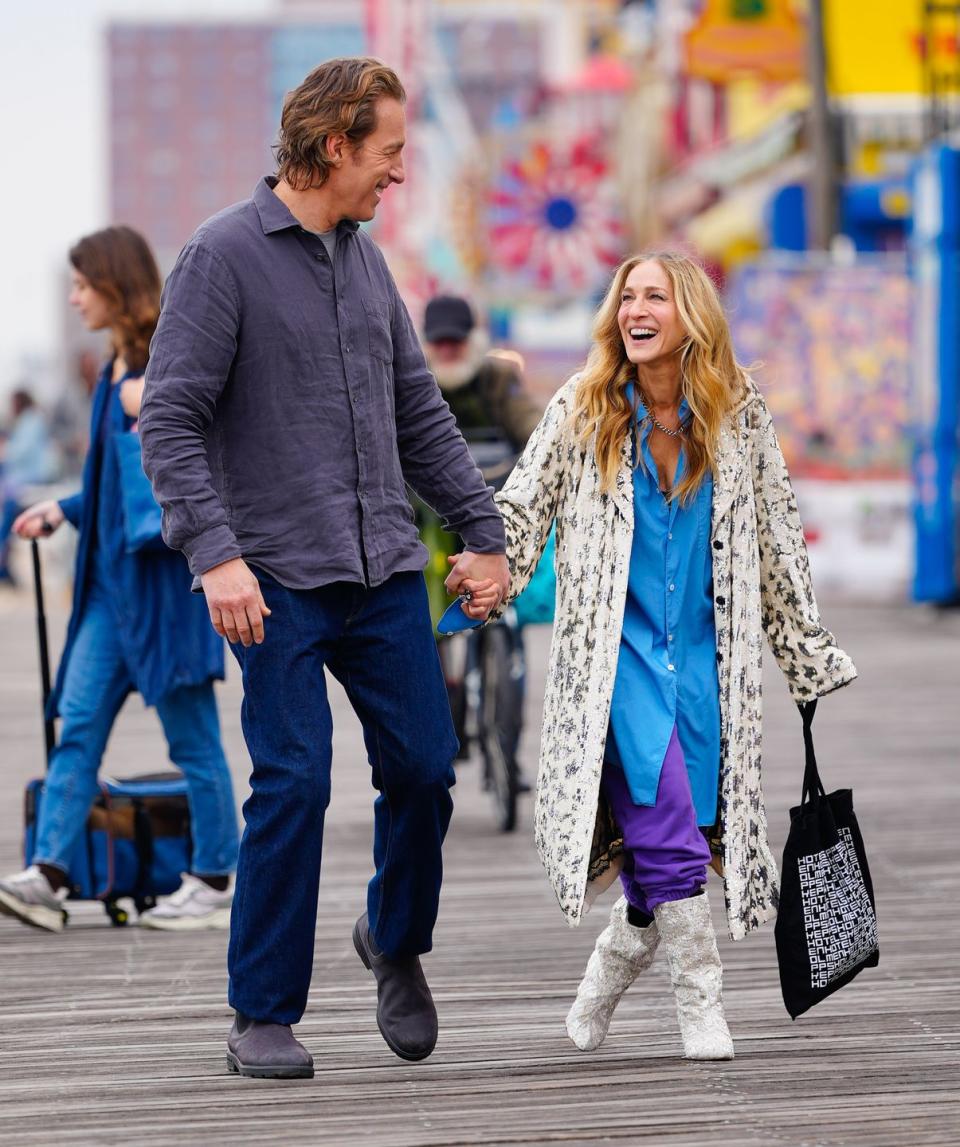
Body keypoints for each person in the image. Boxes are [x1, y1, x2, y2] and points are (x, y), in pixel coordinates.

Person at [138, 57, 509, 1080]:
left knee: (427, 772)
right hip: (276, 577)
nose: (397, 173)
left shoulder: (367, 263)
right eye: (388, 151)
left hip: (384, 563)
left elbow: (418, 416)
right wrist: (213, 554)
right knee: (295, 780)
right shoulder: (220, 257)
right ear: (334, 142)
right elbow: (168, 420)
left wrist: (482, 533)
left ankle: (393, 941)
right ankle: (261, 1010)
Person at [464, 251, 857, 1061]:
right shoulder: (583, 407)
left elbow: (779, 541)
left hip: (710, 671)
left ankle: (606, 974)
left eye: (656, 297)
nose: (636, 310)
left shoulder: (738, 414)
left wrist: (806, 652)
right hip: (617, 670)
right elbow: (524, 509)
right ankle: (700, 1005)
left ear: (691, 318)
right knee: (673, 834)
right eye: (627, 298)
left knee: (683, 840)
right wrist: (486, 572)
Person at [0, 227, 239, 935]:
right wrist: (62, 507)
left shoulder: (157, 372)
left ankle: (214, 876)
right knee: (76, 726)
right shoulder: (111, 371)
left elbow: (186, 480)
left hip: (165, 595)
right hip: (107, 593)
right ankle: (49, 872)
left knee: (193, 739)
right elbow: (113, 488)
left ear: (114, 285)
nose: (74, 298)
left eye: (82, 285)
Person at [421, 294, 541, 450]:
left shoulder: (498, 378)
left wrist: (544, 437)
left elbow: (526, 417)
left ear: (473, 341)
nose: (447, 350)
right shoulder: (417, 385)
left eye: (455, 342)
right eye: (439, 342)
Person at [0, 389, 61, 584]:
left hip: (31, 480)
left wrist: (6, 449)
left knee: (8, 512)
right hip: (21, 480)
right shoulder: (27, 421)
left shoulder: (32, 421)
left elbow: (20, 452)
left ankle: (2, 563)